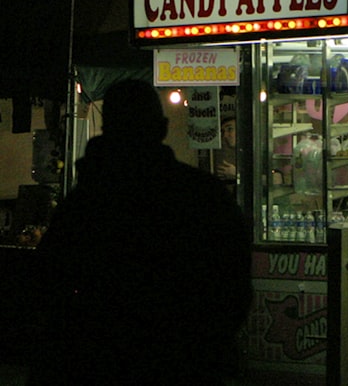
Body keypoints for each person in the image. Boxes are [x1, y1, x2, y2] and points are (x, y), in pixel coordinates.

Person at [28, 80, 253, 385]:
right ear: (161, 129)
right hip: (187, 365)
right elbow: (235, 286)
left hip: (98, 366)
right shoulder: (202, 195)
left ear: (108, 130)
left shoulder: (84, 205)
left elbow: (48, 288)